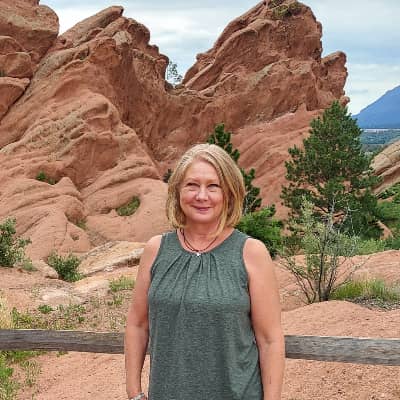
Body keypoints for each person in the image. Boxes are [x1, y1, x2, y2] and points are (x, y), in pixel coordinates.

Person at [125, 143, 285, 400]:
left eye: (213, 186)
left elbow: (270, 340)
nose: (201, 196)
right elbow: (137, 324)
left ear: (229, 193)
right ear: (177, 190)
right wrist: (134, 392)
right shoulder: (156, 250)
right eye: (192, 185)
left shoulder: (251, 253)